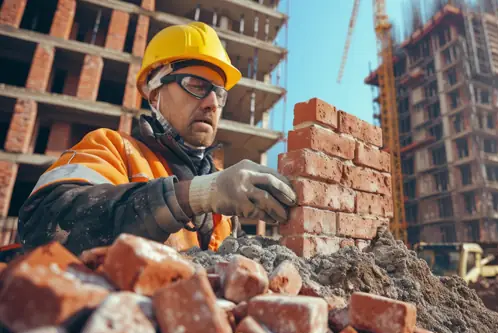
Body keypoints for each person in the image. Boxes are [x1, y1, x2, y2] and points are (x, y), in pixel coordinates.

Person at [16, 22, 297, 255]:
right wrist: (194, 196)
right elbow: (45, 224)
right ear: (154, 94)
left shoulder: (224, 191)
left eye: (219, 93)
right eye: (197, 85)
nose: (213, 102)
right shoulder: (112, 147)